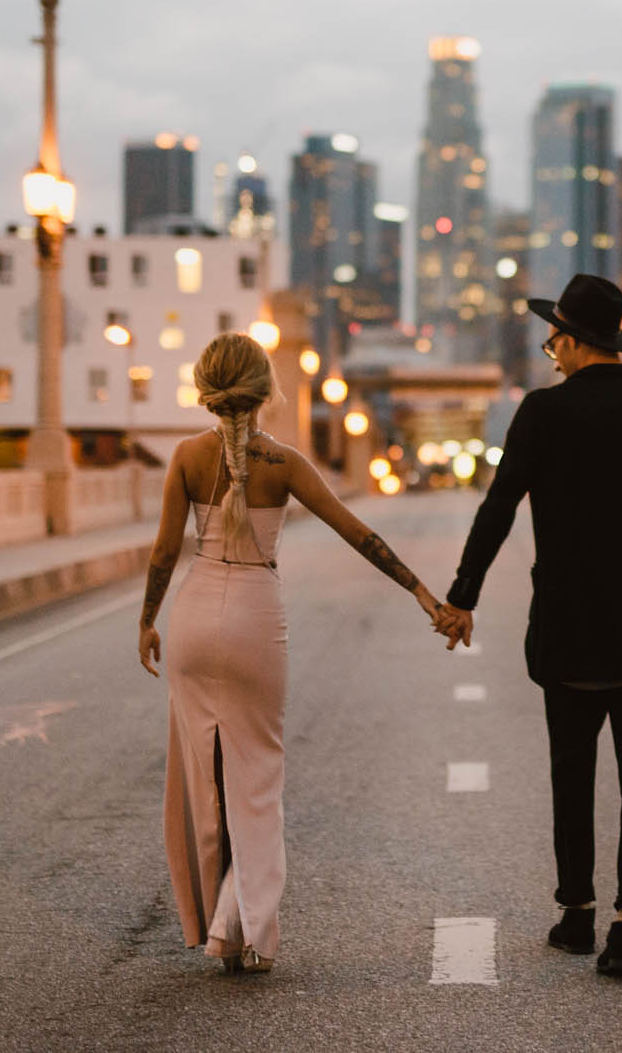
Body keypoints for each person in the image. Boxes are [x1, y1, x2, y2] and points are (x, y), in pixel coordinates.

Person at [137, 331, 469, 975]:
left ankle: (216, 924)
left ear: (207, 391)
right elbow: (357, 532)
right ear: (265, 393)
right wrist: (425, 595)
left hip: (194, 614)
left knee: (202, 780)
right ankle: (248, 926)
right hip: (256, 616)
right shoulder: (283, 463)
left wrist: (147, 621)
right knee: (255, 778)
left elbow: (161, 554)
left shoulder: (184, 456)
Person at [443, 273, 622, 979]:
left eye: (551, 340)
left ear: (571, 339)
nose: (550, 353)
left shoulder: (540, 413)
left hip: (567, 628)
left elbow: (498, 508)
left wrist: (463, 592)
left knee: (573, 772)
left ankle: (576, 913)